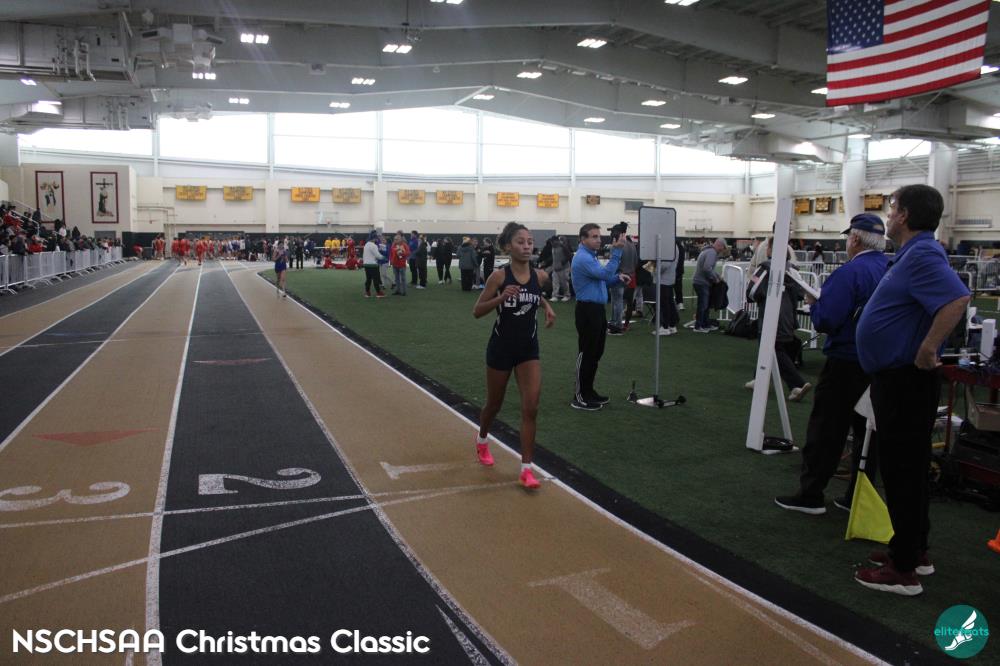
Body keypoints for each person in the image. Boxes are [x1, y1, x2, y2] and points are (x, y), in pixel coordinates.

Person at [853, 185, 970, 596]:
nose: (888, 215)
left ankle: (902, 569)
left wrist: (928, 347)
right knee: (910, 468)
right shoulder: (913, 253)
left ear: (903, 215)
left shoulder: (921, 254)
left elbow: (957, 299)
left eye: (892, 208)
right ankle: (913, 550)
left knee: (902, 469)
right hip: (900, 379)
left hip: (904, 379)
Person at [774, 213, 889, 515]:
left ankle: (811, 494)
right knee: (868, 433)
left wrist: (814, 305)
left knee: (827, 428)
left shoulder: (850, 272)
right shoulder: (891, 268)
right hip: (880, 363)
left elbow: (827, 319)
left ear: (855, 239)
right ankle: (857, 498)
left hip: (846, 361)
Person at [472, 222, 556, 490]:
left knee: (531, 407)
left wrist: (546, 305)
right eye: (521, 242)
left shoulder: (539, 276)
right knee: (494, 405)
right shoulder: (499, 277)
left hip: (528, 350)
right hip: (501, 348)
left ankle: (526, 469)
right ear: (508, 246)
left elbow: (533, 295)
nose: (527, 246)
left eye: (530, 241)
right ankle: (482, 439)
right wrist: (501, 298)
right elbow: (477, 311)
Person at [744, 238, 811, 401]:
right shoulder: (793, 270)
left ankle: (797, 384)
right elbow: (801, 293)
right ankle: (759, 380)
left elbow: (751, 291)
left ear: (770, 250)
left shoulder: (765, 268)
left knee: (774, 350)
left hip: (771, 316)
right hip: (789, 317)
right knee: (773, 348)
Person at [571, 223, 627, 410]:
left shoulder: (590, 257)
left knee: (595, 353)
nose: (599, 239)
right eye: (594, 236)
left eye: (599, 236)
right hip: (587, 310)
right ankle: (579, 396)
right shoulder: (583, 258)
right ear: (583, 239)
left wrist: (617, 278)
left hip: (596, 310)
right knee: (587, 353)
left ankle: (588, 391)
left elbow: (602, 279)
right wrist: (617, 252)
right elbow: (604, 273)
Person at [692, 238, 727, 332]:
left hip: (700, 281)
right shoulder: (712, 253)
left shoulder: (709, 251)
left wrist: (717, 276)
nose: (723, 250)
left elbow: (709, 268)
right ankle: (698, 326)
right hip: (701, 282)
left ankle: (705, 324)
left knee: (705, 305)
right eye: (723, 247)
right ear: (719, 245)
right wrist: (716, 279)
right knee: (703, 305)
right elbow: (707, 268)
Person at [362, 230, 386, 298]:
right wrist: (384, 257)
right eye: (376, 238)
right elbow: (377, 255)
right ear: (374, 238)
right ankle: (379, 293)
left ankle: (367, 292)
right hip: (373, 265)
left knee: (368, 279)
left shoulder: (366, 244)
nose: (377, 240)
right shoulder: (374, 245)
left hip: (366, 265)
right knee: (376, 279)